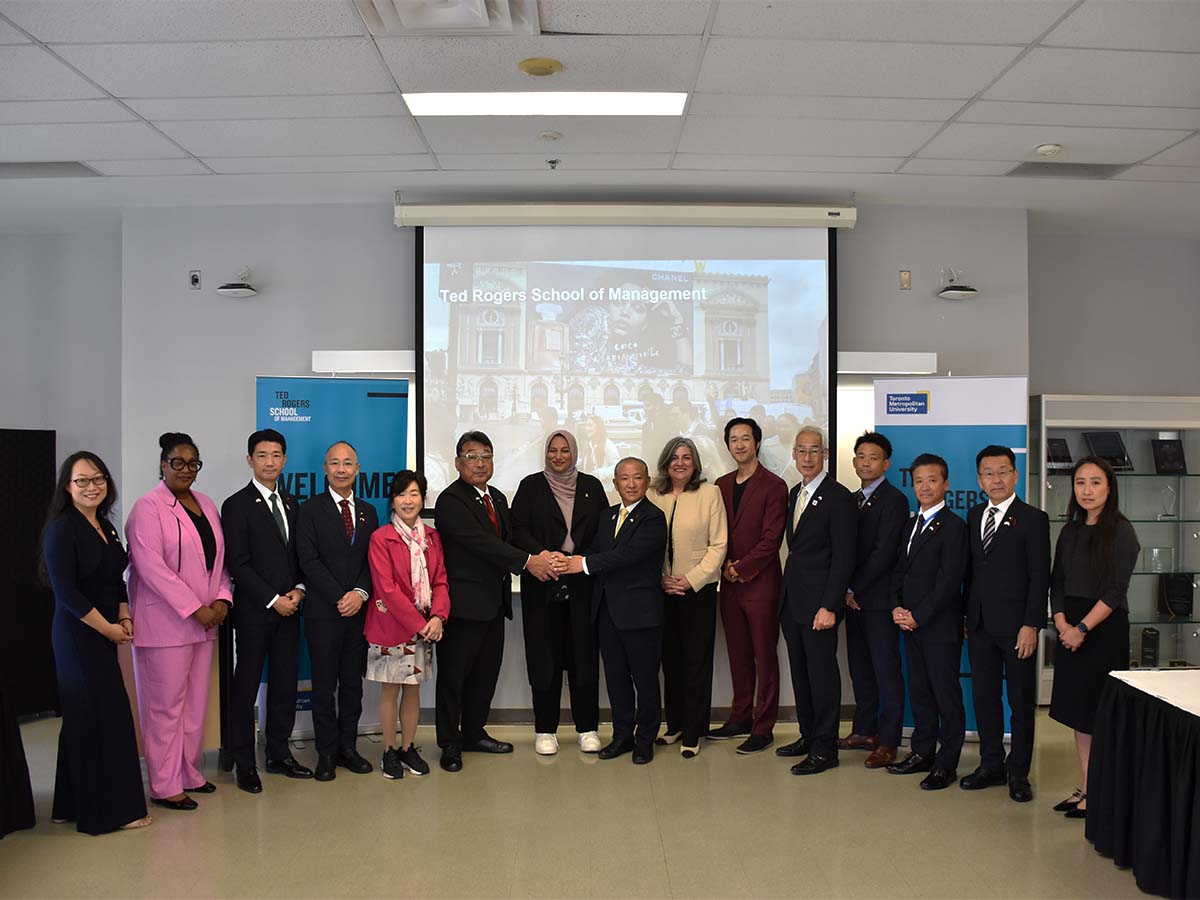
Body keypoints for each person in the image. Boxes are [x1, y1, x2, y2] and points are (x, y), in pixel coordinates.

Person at [40, 451, 150, 833]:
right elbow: (66, 592)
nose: (92, 487)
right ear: (67, 487)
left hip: (107, 630)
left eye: (98, 479)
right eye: (82, 481)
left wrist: (124, 615)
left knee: (80, 721)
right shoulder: (62, 529)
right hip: (77, 636)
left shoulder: (106, 525)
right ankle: (106, 813)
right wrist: (107, 629)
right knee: (103, 719)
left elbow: (117, 578)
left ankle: (66, 805)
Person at [434, 431, 557, 772]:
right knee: (454, 678)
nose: (480, 463)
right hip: (462, 607)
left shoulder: (498, 498)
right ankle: (450, 742)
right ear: (458, 462)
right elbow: (481, 544)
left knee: (485, 675)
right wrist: (529, 561)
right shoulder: (449, 501)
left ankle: (474, 732)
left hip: (493, 604)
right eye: (472, 456)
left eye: (486, 456)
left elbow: (511, 537)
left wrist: (544, 553)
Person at [126, 432, 232, 811]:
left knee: (193, 706)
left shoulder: (206, 504)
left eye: (192, 464)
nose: (186, 470)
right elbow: (153, 570)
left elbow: (217, 561)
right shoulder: (146, 508)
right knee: (165, 709)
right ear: (162, 464)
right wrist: (196, 608)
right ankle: (164, 782)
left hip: (204, 625)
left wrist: (221, 598)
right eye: (178, 462)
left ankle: (188, 772)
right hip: (166, 626)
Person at [220, 429, 312, 794]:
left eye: (276, 455)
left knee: (285, 685)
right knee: (245, 689)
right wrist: (275, 599)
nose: (270, 462)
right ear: (250, 460)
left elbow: (301, 556)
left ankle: (278, 752)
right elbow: (238, 564)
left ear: (284, 460)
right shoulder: (236, 504)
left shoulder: (292, 503)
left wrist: (300, 591)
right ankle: (245, 762)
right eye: (262, 455)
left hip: (291, 611)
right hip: (257, 613)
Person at [1048, 456, 1139, 819]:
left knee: (1099, 715)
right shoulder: (1069, 530)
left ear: (1109, 487)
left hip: (1102, 631)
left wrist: (1082, 628)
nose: (1087, 490)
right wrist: (1062, 625)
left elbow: (1116, 591)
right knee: (1077, 714)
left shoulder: (1121, 530)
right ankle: (1087, 786)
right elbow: (1056, 582)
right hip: (1069, 627)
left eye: (1095, 482)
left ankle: (1100, 791)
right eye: (1080, 482)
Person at [563, 458, 668, 764]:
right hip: (607, 612)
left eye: (637, 478)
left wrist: (580, 564)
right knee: (616, 678)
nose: (631, 484)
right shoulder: (607, 516)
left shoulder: (654, 518)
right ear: (615, 483)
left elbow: (627, 556)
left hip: (640, 614)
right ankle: (623, 735)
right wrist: (571, 559)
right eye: (624, 478)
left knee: (645, 679)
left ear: (647, 481)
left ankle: (645, 739)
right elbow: (598, 551)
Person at [962, 445, 1050, 803]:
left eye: (1002, 472)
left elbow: (1039, 575)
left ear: (1015, 475)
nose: (995, 479)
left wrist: (1031, 625)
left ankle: (1018, 772)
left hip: (1018, 629)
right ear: (979, 479)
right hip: (980, 625)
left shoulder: (1033, 518)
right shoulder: (973, 515)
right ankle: (991, 764)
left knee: (1020, 701)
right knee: (984, 699)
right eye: (988, 473)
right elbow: (971, 572)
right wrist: (968, 615)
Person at [511, 431, 608, 755]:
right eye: (552, 450)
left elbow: (604, 532)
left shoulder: (592, 487)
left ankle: (587, 728)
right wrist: (543, 555)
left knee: (584, 659)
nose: (558, 455)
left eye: (565, 450)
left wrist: (580, 561)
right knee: (544, 660)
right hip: (541, 584)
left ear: (574, 452)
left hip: (582, 586)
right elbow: (517, 529)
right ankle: (545, 730)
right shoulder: (530, 486)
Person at [296, 441, 378, 782]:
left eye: (348, 463)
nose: (341, 469)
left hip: (358, 613)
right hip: (323, 613)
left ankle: (348, 748)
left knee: (352, 686)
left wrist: (359, 593)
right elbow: (308, 560)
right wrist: (339, 596)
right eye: (335, 463)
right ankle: (326, 752)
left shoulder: (369, 511)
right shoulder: (309, 510)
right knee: (323, 686)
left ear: (358, 469)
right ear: (325, 469)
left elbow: (372, 561)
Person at [886, 454, 969, 790]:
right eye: (919, 480)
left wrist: (917, 616)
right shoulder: (909, 523)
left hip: (939, 628)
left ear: (946, 484)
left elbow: (949, 583)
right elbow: (898, 572)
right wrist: (896, 609)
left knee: (945, 696)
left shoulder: (954, 527)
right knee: (919, 693)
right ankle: (922, 752)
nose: (925, 486)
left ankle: (947, 763)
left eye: (932, 480)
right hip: (910, 625)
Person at [777, 427, 856, 775]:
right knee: (801, 673)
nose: (807, 458)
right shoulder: (796, 492)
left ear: (825, 454)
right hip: (793, 600)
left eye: (814, 451)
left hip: (820, 605)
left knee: (822, 675)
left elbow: (843, 557)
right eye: (801, 451)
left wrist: (830, 605)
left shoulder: (838, 496)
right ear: (793, 455)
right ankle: (808, 735)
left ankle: (826, 747)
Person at [710, 418, 788, 754]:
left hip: (760, 584)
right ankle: (740, 717)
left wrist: (740, 568)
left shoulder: (775, 485)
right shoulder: (720, 484)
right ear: (727, 445)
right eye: (733, 439)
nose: (739, 444)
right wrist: (723, 567)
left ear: (757, 442)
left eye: (746, 438)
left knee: (764, 655)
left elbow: (772, 540)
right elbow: (715, 533)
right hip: (728, 584)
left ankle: (763, 726)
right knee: (738, 655)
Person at [366, 470, 449, 780]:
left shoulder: (432, 538)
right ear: (393, 500)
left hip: (425, 627)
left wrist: (438, 617)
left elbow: (440, 580)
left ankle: (408, 747)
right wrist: (420, 623)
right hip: (391, 627)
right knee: (390, 691)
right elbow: (386, 588)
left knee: (413, 690)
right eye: (402, 494)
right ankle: (389, 750)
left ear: (422, 498)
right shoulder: (381, 538)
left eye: (414, 494)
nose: (408, 500)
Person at [648, 437, 727, 758]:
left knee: (696, 661)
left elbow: (719, 545)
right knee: (670, 661)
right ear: (666, 462)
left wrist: (690, 580)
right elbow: (643, 542)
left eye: (686, 457)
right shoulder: (654, 494)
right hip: (661, 591)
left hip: (698, 591)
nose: (680, 462)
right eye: (674, 457)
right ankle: (676, 725)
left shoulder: (710, 493)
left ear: (695, 463)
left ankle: (694, 730)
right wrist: (661, 580)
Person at [840, 431, 909, 769]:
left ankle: (890, 740)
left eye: (873, 458)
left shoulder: (894, 500)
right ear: (854, 461)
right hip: (853, 601)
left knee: (886, 671)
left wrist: (853, 588)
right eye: (861, 457)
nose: (866, 462)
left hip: (879, 601)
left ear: (886, 464)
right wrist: (846, 589)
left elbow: (884, 554)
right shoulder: (850, 499)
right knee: (861, 669)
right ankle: (865, 730)